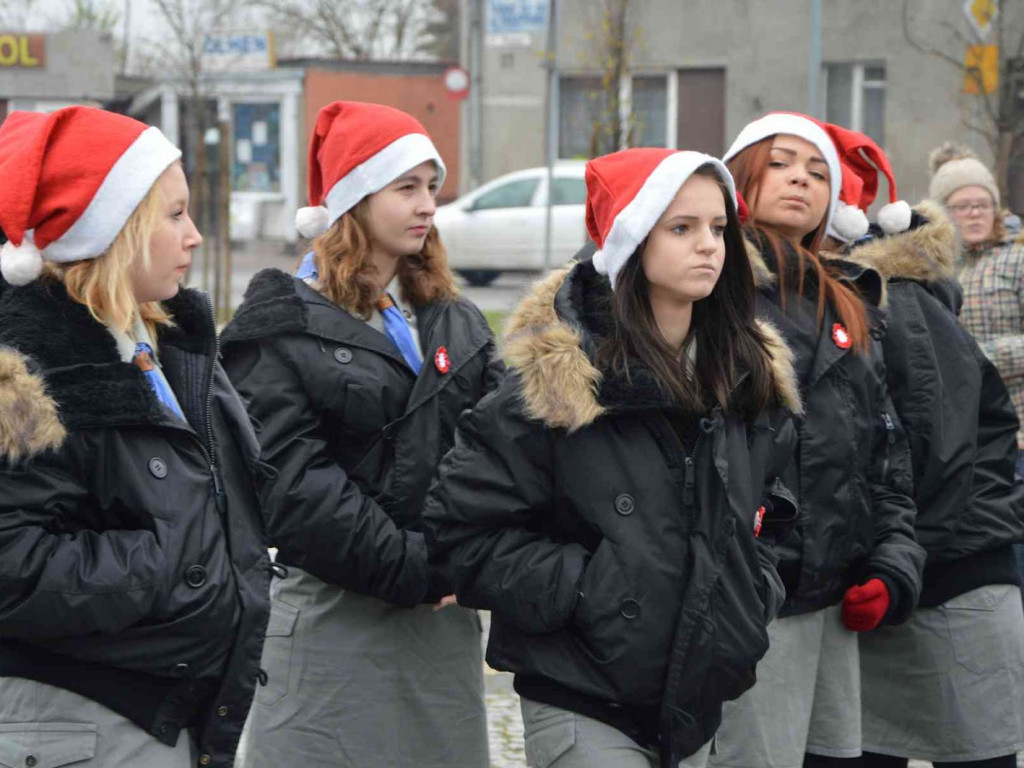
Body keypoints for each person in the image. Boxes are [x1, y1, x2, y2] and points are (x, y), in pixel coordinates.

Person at [423, 147, 804, 768]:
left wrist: (750, 592)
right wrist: (590, 588)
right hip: (583, 694)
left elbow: (779, 509)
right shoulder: (554, 383)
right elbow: (461, 532)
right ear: (631, 243)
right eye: (681, 228)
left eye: (718, 228)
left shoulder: (749, 374)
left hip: (700, 697)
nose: (708, 245)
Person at [219, 101, 499, 768]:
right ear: (352, 199)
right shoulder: (278, 326)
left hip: (441, 623)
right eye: (405, 187)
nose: (427, 203)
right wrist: (421, 567)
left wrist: (477, 553)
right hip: (331, 618)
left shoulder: (454, 319)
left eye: (432, 186)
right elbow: (294, 486)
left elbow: (500, 448)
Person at [0, 106, 270, 767]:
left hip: (165, 715)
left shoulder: (164, 345)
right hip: (77, 724)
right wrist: (176, 563)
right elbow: (14, 568)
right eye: (174, 215)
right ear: (111, 228)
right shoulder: (23, 373)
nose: (196, 235)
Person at [707, 112, 924, 768]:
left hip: (832, 605)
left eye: (818, 169)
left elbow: (883, 451)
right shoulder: (712, 287)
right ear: (740, 176)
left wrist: (893, 562)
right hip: (752, 604)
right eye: (781, 162)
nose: (801, 178)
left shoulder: (846, 301)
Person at [827, 133, 1024, 768]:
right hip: (883, 576)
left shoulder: (891, 303)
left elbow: (937, 449)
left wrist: (895, 564)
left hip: (940, 575)